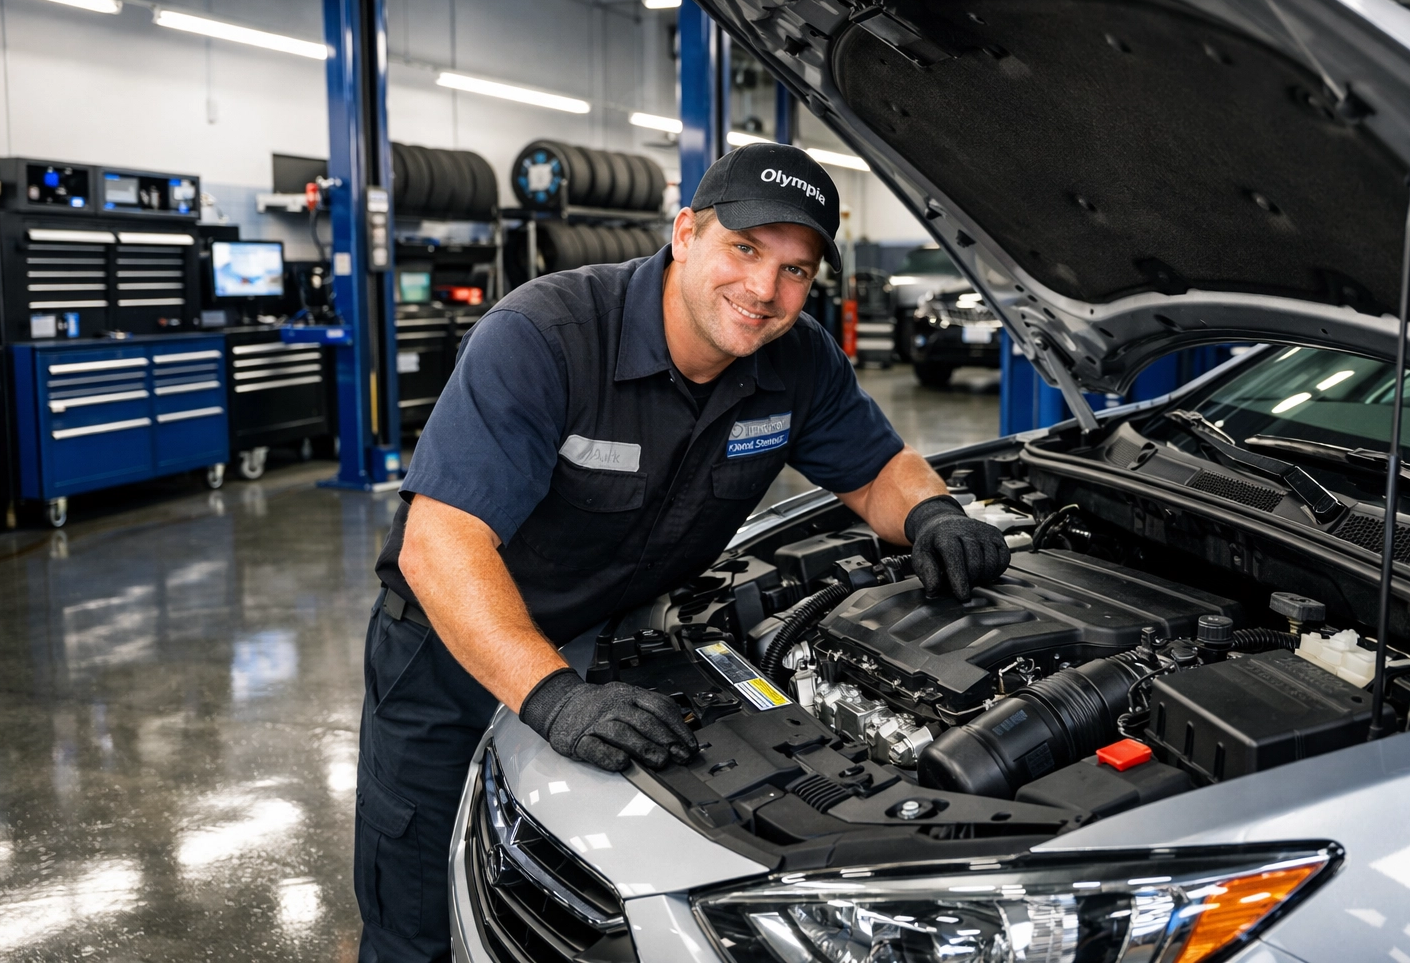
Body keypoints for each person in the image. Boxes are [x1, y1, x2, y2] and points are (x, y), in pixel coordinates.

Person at [354, 143, 1010, 961]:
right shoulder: (544, 336)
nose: (766, 292)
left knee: (578, 903)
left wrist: (933, 515)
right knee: (416, 909)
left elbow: (877, 469)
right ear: (686, 232)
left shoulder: (797, 359)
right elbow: (439, 544)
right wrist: (553, 698)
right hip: (450, 652)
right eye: (746, 249)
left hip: (617, 643)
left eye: (796, 271)